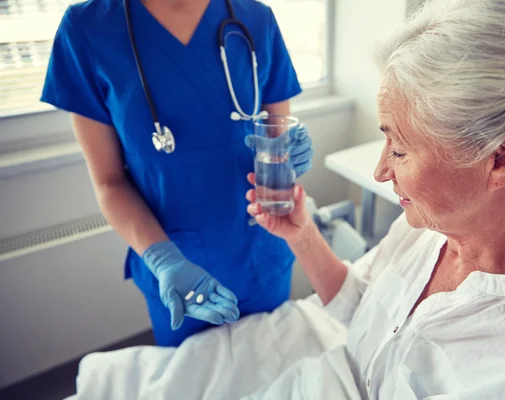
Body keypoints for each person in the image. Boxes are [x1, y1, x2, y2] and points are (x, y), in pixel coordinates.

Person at [246, 0, 505, 397]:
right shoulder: (432, 224)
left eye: (399, 150)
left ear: (502, 157)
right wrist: (302, 235)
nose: (380, 171)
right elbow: (362, 305)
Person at [40, 0, 314, 347]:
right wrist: (163, 259)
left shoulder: (255, 18)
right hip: (174, 265)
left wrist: (290, 153)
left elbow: (275, 137)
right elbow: (109, 182)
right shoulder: (86, 27)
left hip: (260, 249)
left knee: (272, 369)